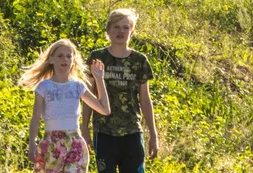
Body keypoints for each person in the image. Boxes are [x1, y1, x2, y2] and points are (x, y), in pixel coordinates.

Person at [81, 9, 158, 173]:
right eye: (116, 27)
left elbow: (145, 99)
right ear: (108, 30)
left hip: (132, 131)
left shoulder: (139, 60)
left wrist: (153, 133)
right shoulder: (97, 57)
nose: (120, 31)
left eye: (125, 27)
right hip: (103, 131)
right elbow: (89, 96)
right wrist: (84, 127)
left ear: (132, 31)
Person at [19, 39, 111, 173]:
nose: (65, 59)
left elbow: (105, 109)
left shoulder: (78, 86)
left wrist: (99, 79)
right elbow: (35, 119)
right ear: (51, 60)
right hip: (50, 144)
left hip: (74, 143)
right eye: (60, 56)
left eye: (69, 56)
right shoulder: (44, 87)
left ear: (73, 61)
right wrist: (32, 143)